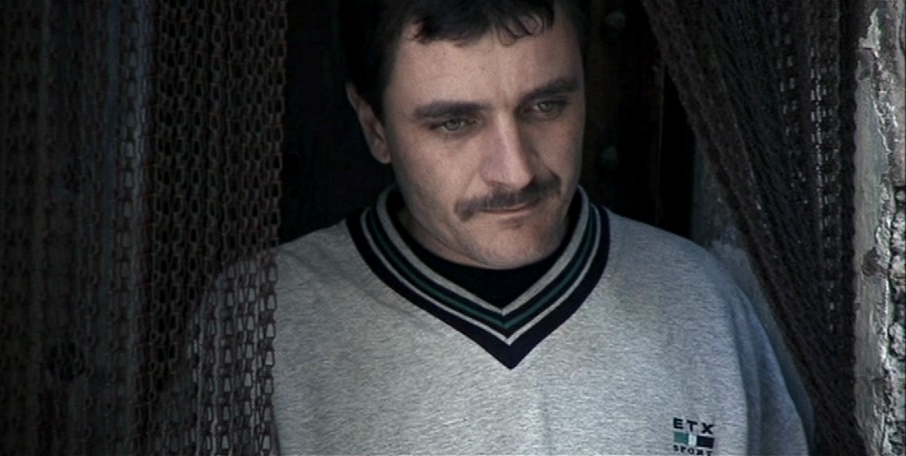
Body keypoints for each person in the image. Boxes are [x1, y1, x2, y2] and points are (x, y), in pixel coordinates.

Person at [262, 0, 811, 453]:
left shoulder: (701, 300)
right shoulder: (269, 321)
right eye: (454, 123)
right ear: (374, 127)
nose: (516, 171)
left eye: (546, 107)